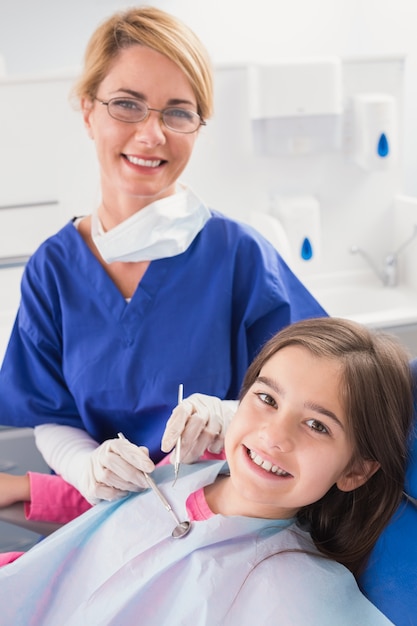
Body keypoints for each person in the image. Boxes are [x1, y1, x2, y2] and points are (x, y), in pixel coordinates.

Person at [0, 6, 326, 506]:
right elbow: (52, 412)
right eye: (127, 104)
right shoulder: (55, 270)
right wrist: (86, 465)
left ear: (197, 127)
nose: (152, 134)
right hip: (105, 518)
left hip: (224, 513)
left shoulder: (237, 255)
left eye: (177, 112)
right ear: (88, 111)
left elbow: (321, 389)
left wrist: (229, 416)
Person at [0, 318, 412, 625]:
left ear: (356, 470)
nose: (274, 435)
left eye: (317, 425)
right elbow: (115, 509)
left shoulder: (291, 587)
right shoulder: (190, 465)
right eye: (267, 398)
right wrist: (25, 488)